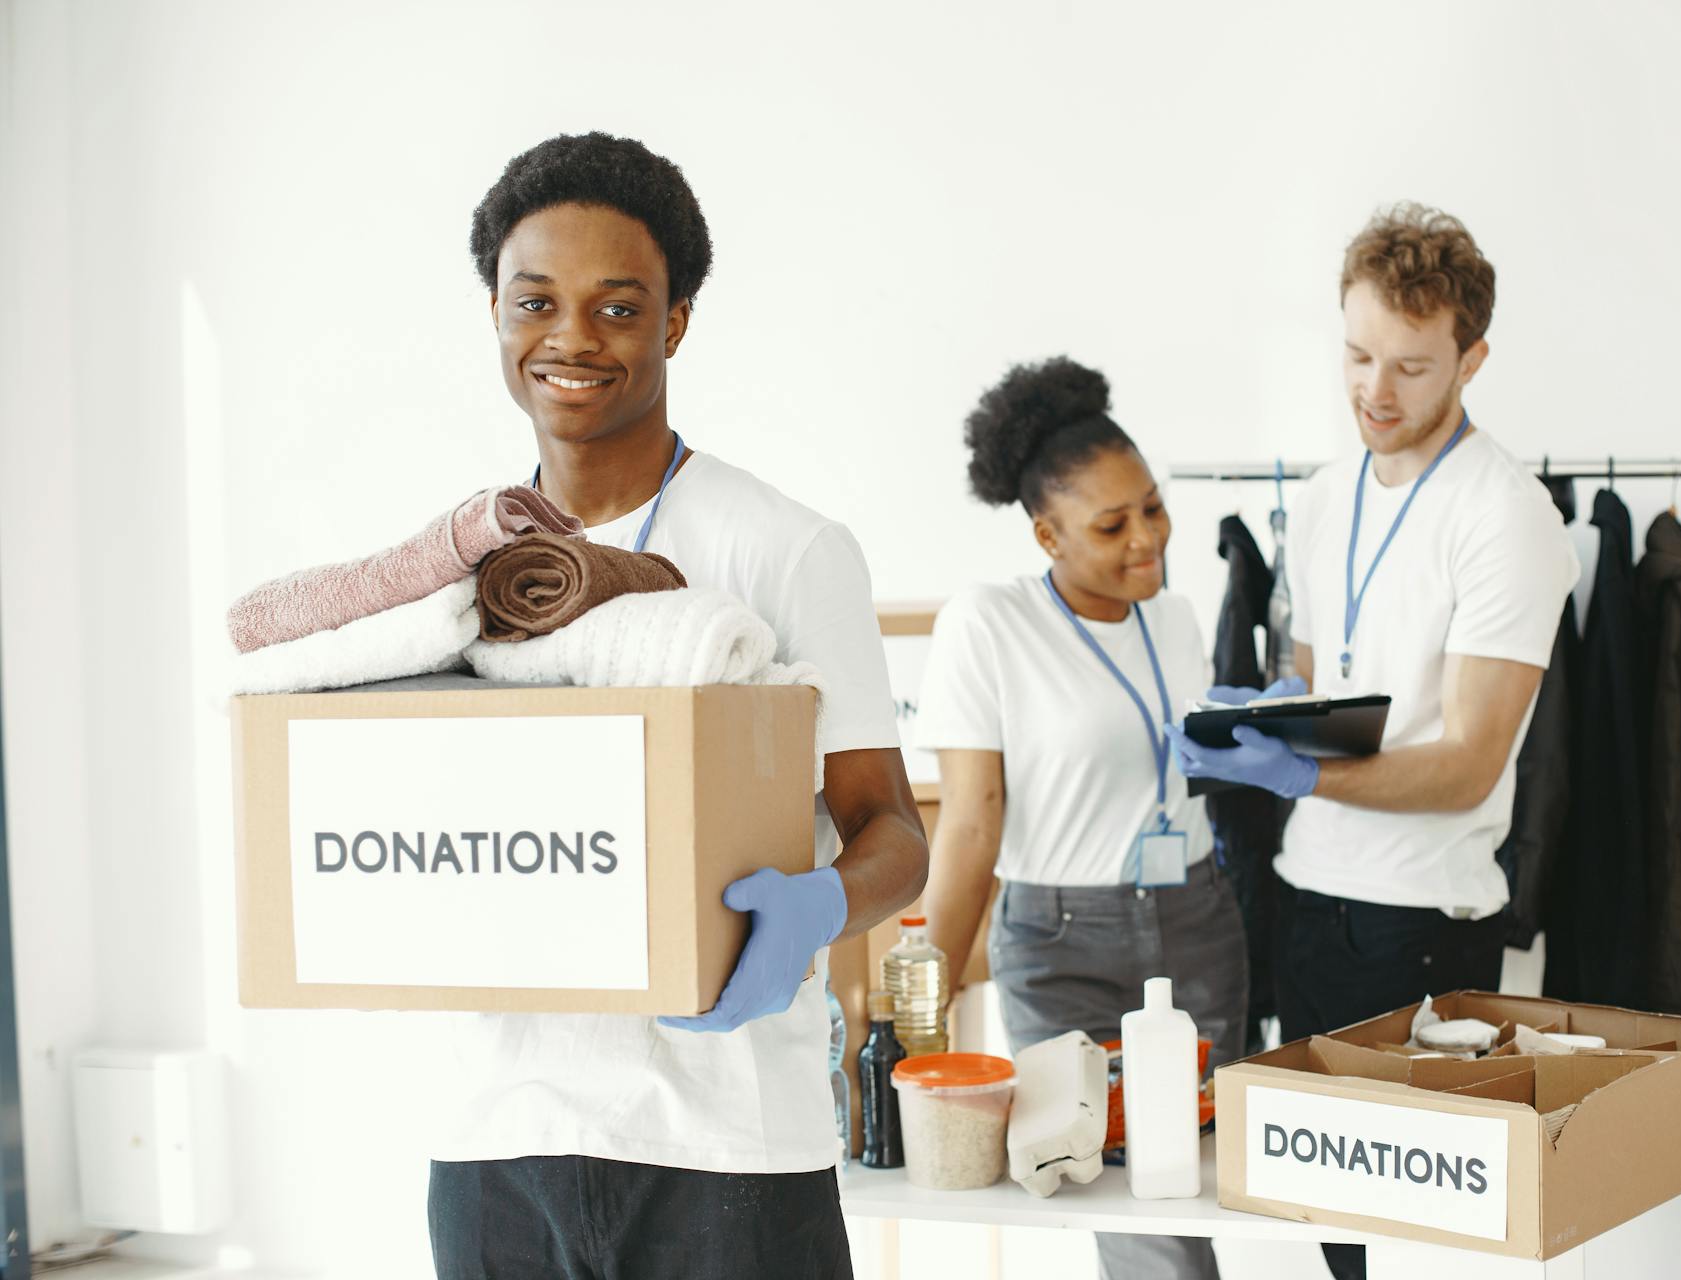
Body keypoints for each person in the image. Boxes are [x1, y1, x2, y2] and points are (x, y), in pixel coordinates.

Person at [426, 132, 929, 1279]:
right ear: (494, 312)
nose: (570, 338)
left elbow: (895, 836)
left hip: (729, 1141)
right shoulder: (455, 576)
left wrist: (815, 908)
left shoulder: (787, 549)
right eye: (535, 301)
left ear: (676, 321)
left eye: (616, 306)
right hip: (501, 1129)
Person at [1169, 204, 1577, 1280]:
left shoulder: (1507, 517)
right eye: (1356, 355)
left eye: (1410, 365)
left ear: (1471, 358)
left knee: (1416, 1244)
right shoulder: (1321, 495)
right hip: (1307, 896)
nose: (1375, 391)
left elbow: (1473, 761)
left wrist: (1300, 769)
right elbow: (1318, 680)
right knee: (1327, 1234)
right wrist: (1262, 713)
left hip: (1422, 928)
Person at [915, 357, 1248, 1280]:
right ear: (1047, 535)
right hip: (1060, 942)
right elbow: (973, 826)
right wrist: (923, 1004)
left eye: (1152, 506)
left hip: (1196, 922)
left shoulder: (1174, 617)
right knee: (1108, 1195)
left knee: (1197, 1185)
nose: (1148, 538)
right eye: (1112, 524)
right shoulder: (987, 624)